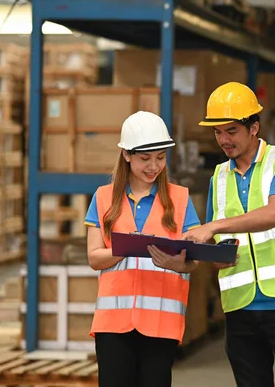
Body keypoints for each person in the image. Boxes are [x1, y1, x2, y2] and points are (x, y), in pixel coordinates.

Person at [182, 82, 275, 387]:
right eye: (217, 132)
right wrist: (212, 254)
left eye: (231, 131)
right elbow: (218, 249)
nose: (223, 140)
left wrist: (214, 227)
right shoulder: (219, 177)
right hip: (240, 305)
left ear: (253, 127)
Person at [84, 111, 201, 387]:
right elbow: (93, 257)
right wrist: (126, 248)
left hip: (161, 324)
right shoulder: (103, 198)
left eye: (160, 158)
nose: (154, 166)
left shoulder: (180, 199)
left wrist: (177, 263)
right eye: (145, 159)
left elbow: (193, 261)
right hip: (113, 324)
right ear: (126, 155)